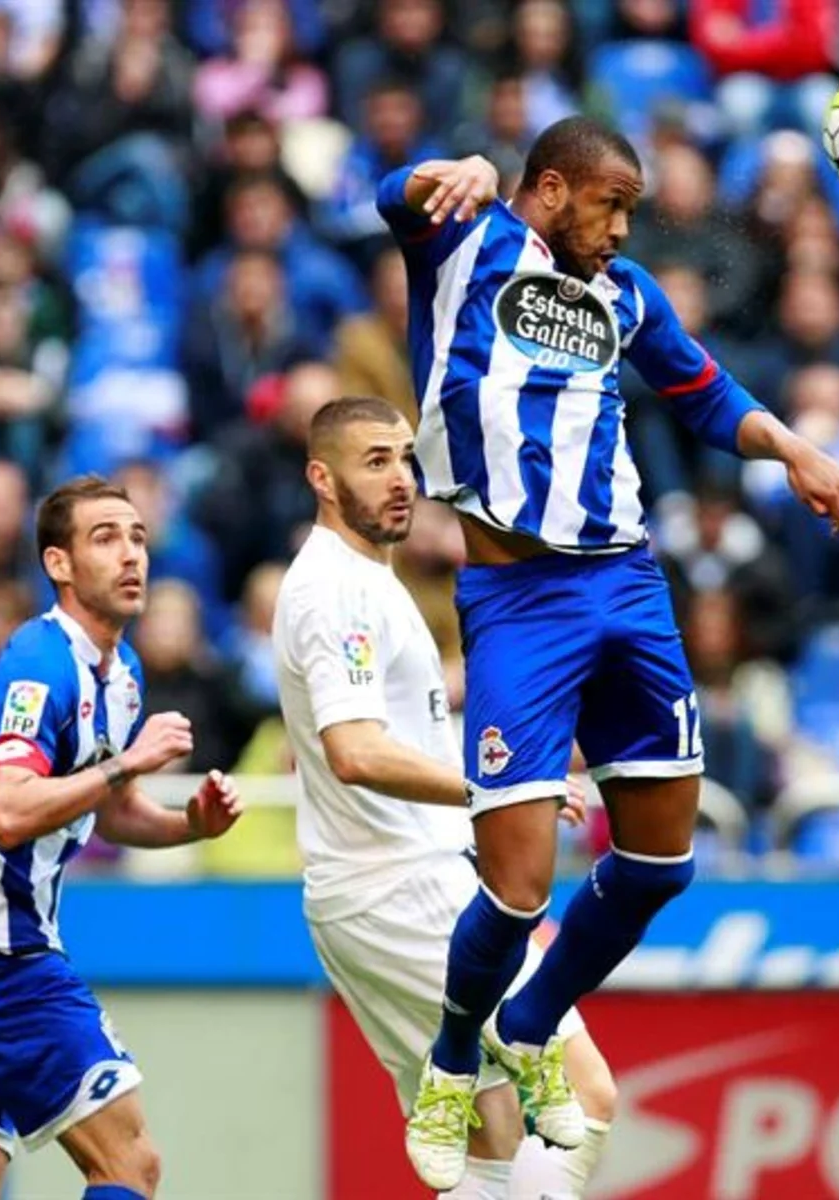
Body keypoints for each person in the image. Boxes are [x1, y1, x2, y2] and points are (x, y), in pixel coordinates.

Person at [376, 115, 839, 1189]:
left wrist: (792, 449)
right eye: (611, 205)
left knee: (657, 861)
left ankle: (533, 1019)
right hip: (518, 597)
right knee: (513, 889)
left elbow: (704, 394)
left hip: (628, 583)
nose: (624, 227)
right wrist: (442, 171)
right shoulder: (463, 244)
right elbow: (389, 198)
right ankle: (454, 1061)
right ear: (549, 189)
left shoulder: (627, 294)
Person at [0, 476, 244, 1200]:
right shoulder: (40, 662)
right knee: (131, 1165)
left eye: (138, 537)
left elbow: (109, 812)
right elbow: (11, 810)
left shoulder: (121, 673)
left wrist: (189, 824)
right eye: (105, 538)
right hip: (6, 958)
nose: (131, 555)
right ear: (58, 564)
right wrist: (128, 761)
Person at [274, 396, 618, 1199]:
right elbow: (354, 751)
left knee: (489, 1138)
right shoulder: (334, 591)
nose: (401, 479)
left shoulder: (371, 578)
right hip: (400, 887)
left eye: (404, 458)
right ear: (322, 480)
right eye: (375, 462)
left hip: (391, 884)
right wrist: (496, 791)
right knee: (585, 1092)